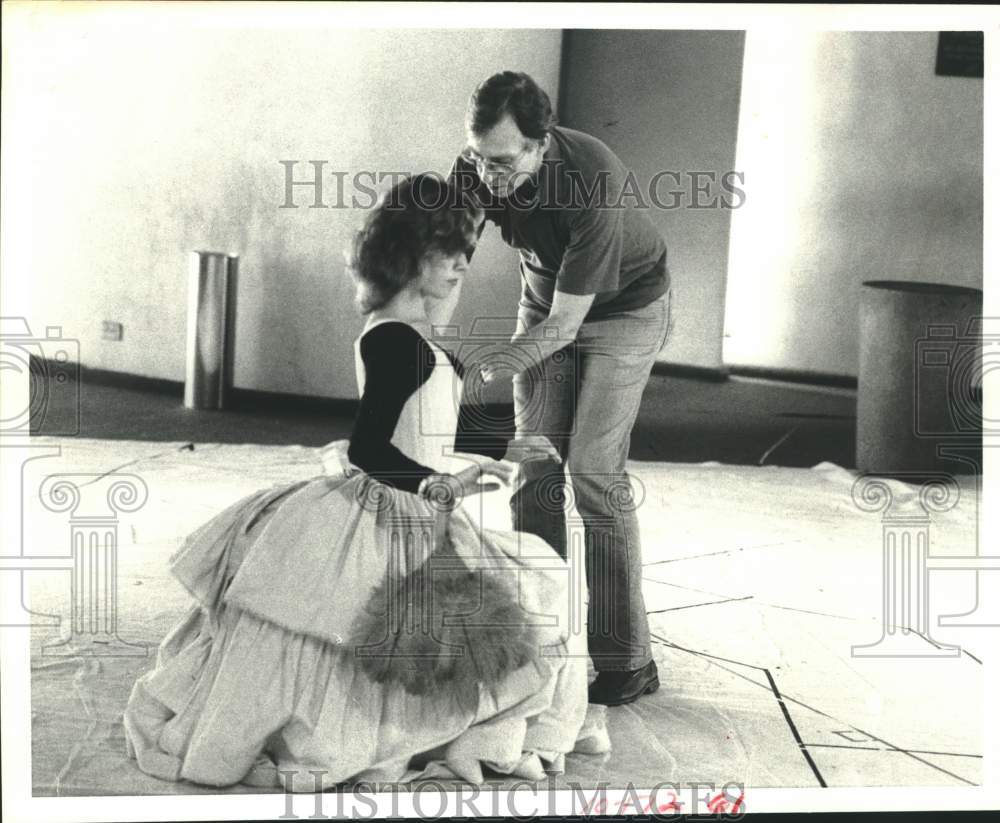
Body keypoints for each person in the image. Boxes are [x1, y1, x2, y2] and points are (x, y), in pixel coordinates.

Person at [123, 174, 608, 791]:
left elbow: (421, 429)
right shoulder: (396, 341)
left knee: (537, 582)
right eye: (451, 258)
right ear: (411, 260)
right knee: (536, 585)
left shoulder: (406, 335)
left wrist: (496, 447)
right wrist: (442, 485)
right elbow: (370, 448)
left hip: (414, 504)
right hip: (394, 513)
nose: (462, 266)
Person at [449, 71, 672, 706]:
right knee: (536, 464)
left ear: (541, 144)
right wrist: (423, 335)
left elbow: (568, 327)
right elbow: (447, 259)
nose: (486, 176)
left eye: (500, 162)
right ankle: (546, 642)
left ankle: (627, 659)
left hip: (624, 313)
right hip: (545, 299)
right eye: (476, 157)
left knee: (594, 472)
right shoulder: (477, 167)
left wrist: (482, 367)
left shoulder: (590, 178)